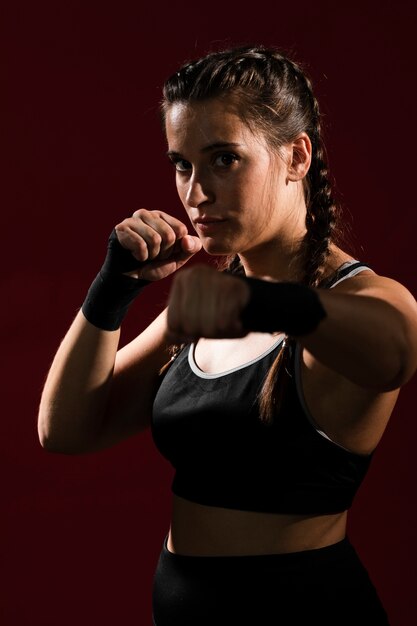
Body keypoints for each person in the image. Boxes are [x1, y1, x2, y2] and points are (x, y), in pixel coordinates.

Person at [38, 44, 417, 625]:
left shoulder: (356, 298)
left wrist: (258, 302)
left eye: (223, 159)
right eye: (182, 164)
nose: (194, 194)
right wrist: (111, 291)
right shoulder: (208, 308)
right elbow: (66, 429)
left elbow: (394, 349)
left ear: (296, 157)